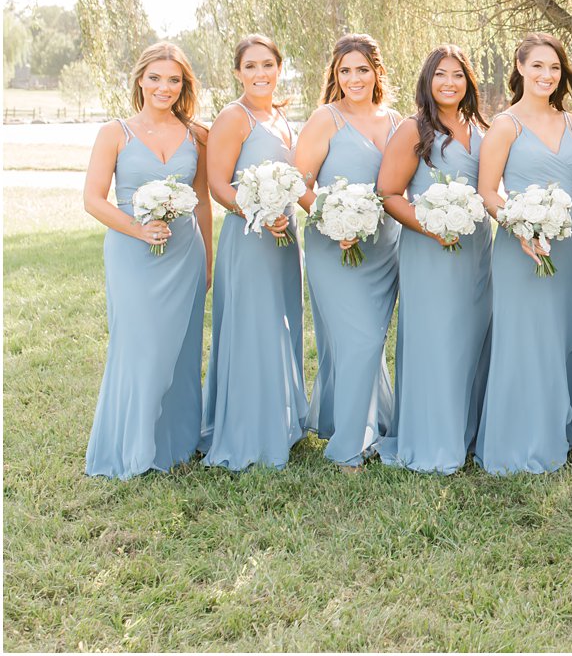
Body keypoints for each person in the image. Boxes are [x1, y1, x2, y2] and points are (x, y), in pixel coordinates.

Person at [82, 42, 212, 478]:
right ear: (140, 79)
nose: (164, 87)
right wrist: (138, 229)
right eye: (156, 78)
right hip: (131, 254)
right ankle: (132, 448)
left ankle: (175, 444)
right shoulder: (115, 132)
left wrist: (207, 261)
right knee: (139, 347)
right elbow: (92, 200)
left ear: (184, 85)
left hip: (185, 256)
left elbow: (204, 204)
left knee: (180, 347)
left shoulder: (197, 134)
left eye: (174, 80)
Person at [476, 34, 572, 474]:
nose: (547, 75)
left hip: (569, 242)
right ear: (520, 67)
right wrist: (520, 226)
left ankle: (565, 426)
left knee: (564, 332)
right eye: (538, 66)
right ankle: (520, 436)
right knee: (526, 337)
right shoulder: (505, 125)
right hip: (520, 247)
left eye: (555, 68)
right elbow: (488, 192)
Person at [377, 45, 493, 473]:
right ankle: (432, 440)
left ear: (469, 82)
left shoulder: (480, 128)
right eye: (441, 75)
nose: (450, 83)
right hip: (430, 249)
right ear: (427, 81)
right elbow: (389, 193)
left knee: (473, 337)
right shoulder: (414, 129)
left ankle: (469, 433)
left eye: (458, 75)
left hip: (477, 250)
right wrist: (431, 225)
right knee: (437, 340)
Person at [293, 33, 402, 470]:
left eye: (362, 69)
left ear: (377, 71)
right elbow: (300, 183)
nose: (354, 78)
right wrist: (331, 219)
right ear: (335, 76)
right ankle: (349, 445)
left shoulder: (397, 121)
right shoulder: (326, 118)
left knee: (369, 342)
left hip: (383, 247)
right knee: (358, 340)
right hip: (333, 246)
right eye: (345, 70)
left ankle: (366, 423)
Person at [201, 34, 308, 470]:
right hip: (249, 237)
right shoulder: (234, 116)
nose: (260, 73)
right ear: (237, 73)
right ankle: (248, 432)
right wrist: (260, 211)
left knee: (283, 325)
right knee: (254, 328)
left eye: (267, 65)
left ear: (279, 68)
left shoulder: (281, 117)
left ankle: (279, 422)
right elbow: (218, 184)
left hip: (285, 238)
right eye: (250, 66)